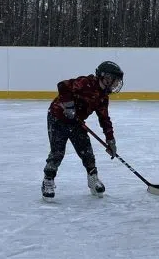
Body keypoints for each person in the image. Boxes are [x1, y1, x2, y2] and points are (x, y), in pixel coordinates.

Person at [41, 61, 124, 200]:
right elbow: (63, 85)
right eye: (115, 80)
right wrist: (68, 107)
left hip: (76, 122)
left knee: (87, 152)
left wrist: (110, 139)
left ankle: (93, 179)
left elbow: (104, 119)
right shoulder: (85, 83)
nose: (116, 84)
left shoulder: (103, 97)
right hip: (57, 118)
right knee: (57, 152)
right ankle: (48, 180)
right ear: (106, 77)